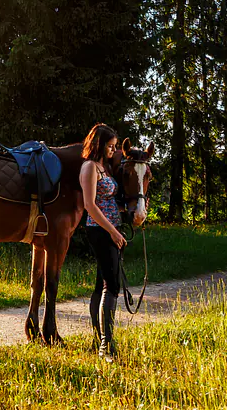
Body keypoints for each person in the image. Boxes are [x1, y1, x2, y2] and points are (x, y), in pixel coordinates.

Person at [80, 123, 127, 361]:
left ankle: (100, 339)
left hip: (110, 228)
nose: (113, 150)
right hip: (100, 230)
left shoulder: (103, 167)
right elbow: (90, 205)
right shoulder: (89, 167)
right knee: (112, 286)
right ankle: (105, 346)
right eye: (110, 146)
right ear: (99, 144)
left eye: (115, 146)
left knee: (102, 286)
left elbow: (107, 201)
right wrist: (113, 232)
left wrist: (126, 210)